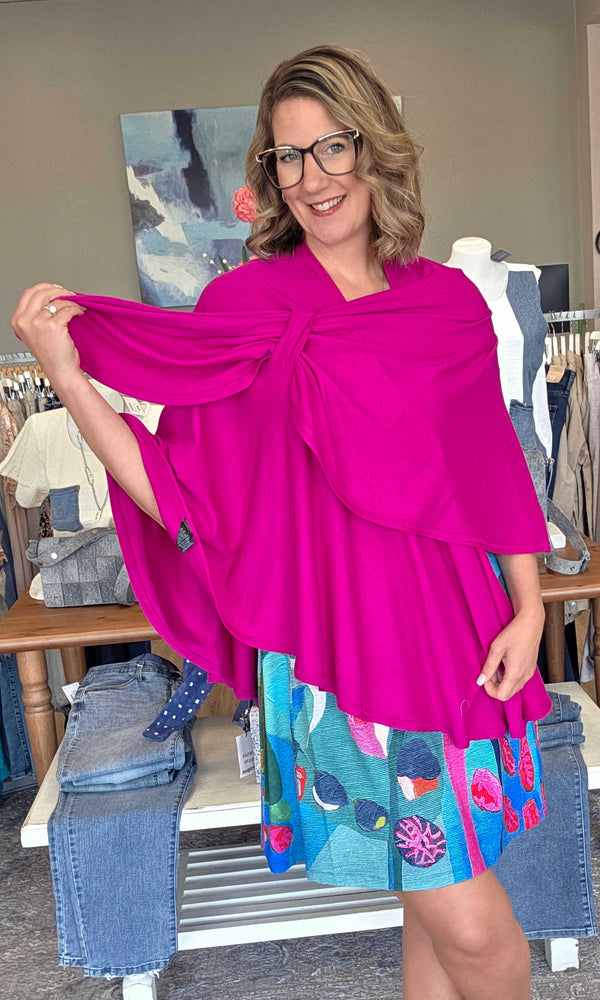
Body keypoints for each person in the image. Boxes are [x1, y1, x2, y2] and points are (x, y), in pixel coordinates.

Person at [12, 45, 550, 1000]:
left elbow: (490, 470)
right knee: (468, 925)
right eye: (288, 156)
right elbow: (172, 489)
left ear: (374, 149)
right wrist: (67, 374)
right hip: (342, 651)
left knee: (436, 905)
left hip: (458, 635)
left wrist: (531, 605)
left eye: (332, 146)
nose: (312, 177)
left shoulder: (448, 303)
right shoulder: (245, 309)